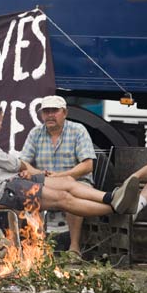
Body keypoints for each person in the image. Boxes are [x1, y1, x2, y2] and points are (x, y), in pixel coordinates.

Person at [0, 100, 139, 227]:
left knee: (68, 182)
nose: (0, 126)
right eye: (0, 121)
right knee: (63, 198)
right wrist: (26, 168)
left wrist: (29, 170)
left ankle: (111, 197)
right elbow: (10, 163)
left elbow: (11, 164)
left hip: (10, 183)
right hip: (3, 191)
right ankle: (115, 208)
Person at [20, 95, 96, 256]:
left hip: (76, 181)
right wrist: (39, 173)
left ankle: (74, 247)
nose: (49, 115)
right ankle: (38, 247)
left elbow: (88, 165)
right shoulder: (35, 133)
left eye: (54, 111)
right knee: (29, 192)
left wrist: (62, 175)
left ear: (65, 113)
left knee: (74, 195)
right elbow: (23, 163)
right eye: (46, 111)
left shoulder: (78, 130)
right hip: (46, 182)